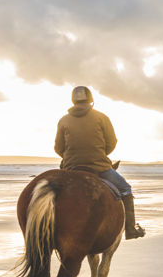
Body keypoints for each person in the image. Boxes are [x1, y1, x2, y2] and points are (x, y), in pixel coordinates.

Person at [54, 86, 146, 239]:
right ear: (90, 100)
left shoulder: (63, 120)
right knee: (126, 190)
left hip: (71, 167)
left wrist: (71, 158)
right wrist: (99, 155)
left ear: (73, 100)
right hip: (100, 167)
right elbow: (112, 142)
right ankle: (130, 230)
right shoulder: (101, 117)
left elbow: (58, 148)